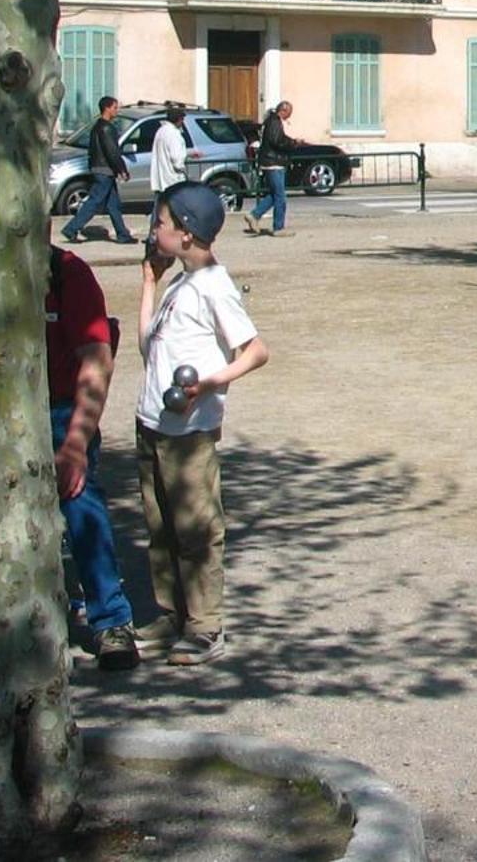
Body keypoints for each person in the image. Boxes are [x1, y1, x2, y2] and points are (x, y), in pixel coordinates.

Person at [135, 181, 270, 664]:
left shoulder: (214, 286)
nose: (155, 230)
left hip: (188, 432)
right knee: (161, 527)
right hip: (152, 422)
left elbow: (255, 352)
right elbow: (148, 348)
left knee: (196, 529)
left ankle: (205, 626)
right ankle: (171, 614)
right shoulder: (179, 283)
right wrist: (150, 282)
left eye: (162, 224)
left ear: (186, 234)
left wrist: (209, 385)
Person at [44, 244, 139, 670]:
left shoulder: (67, 274)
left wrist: (76, 443)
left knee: (81, 500)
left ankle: (111, 619)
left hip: (60, 411)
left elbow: (97, 360)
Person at [62, 96, 136, 245]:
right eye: (115, 107)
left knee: (113, 205)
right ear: (107, 108)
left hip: (100, 169)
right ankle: (71, 228)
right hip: (105, 171)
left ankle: (123, 234)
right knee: (94, 202)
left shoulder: (97, 126)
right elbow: (112, 151)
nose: (117, 110)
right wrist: (122, 169)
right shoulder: (107, 128)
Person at [243, 101, 304, 238]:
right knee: (280, 197)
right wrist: (293, 143)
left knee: (274, 194)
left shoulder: (270, 121)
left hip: (270, 161)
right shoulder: (275, 122)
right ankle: (278, 227)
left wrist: (292, 141)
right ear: (284, 110)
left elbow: (277, 138)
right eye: (289, 113)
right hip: (274, 162)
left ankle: (254, 215)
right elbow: (277, 140)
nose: (289, 116)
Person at [149, 106, 189, 199]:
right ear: (179, 119)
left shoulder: (161, 131)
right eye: (182, 119)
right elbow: (177, 159)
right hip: (172, 181)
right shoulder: (174, 134)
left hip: (160, 179)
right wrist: (182, 168)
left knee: (160, 209)